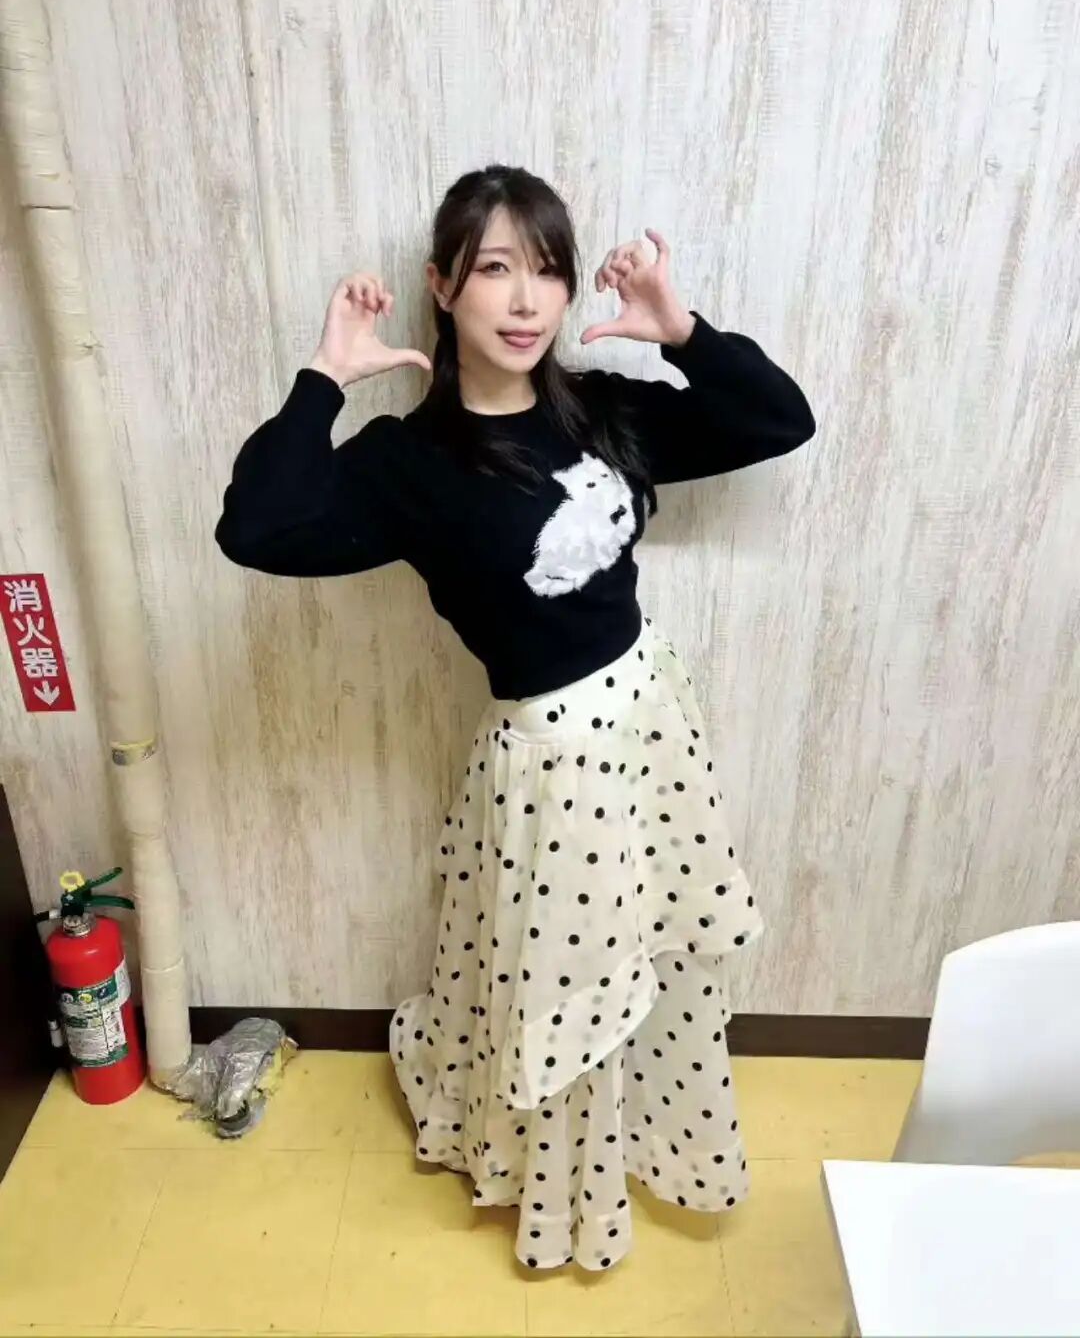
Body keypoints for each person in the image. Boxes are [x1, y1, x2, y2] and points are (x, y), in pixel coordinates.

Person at [215, 164, 816, 1272]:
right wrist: (323, 378)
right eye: (495, 269)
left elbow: (781, 419)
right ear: (443, 288)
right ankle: (562, 1191)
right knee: (568, 992)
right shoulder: (411, 461)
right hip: (554, 764)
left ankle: (647, 1128)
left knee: (654, 954)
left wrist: (680, 328)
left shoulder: (602, 408)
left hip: (651, 719)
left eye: (547, 269)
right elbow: (255, 527)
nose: (528, 299)